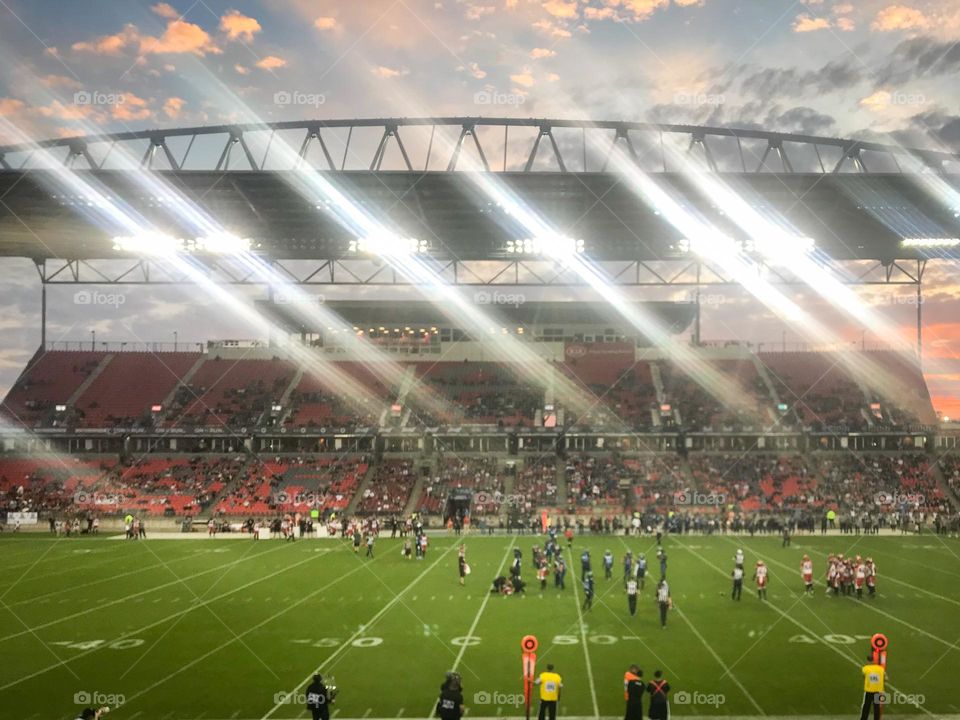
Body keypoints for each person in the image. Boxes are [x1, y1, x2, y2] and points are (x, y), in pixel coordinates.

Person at [860, 654, 885, 720]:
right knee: (877, 707)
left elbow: (864, 676)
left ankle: (863, 719)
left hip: (869, 690)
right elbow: (886, 678)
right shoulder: (881, 668)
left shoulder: (865, 668)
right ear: (874, 660)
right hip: (878, 690)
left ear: (867, 660)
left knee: (866, 706)